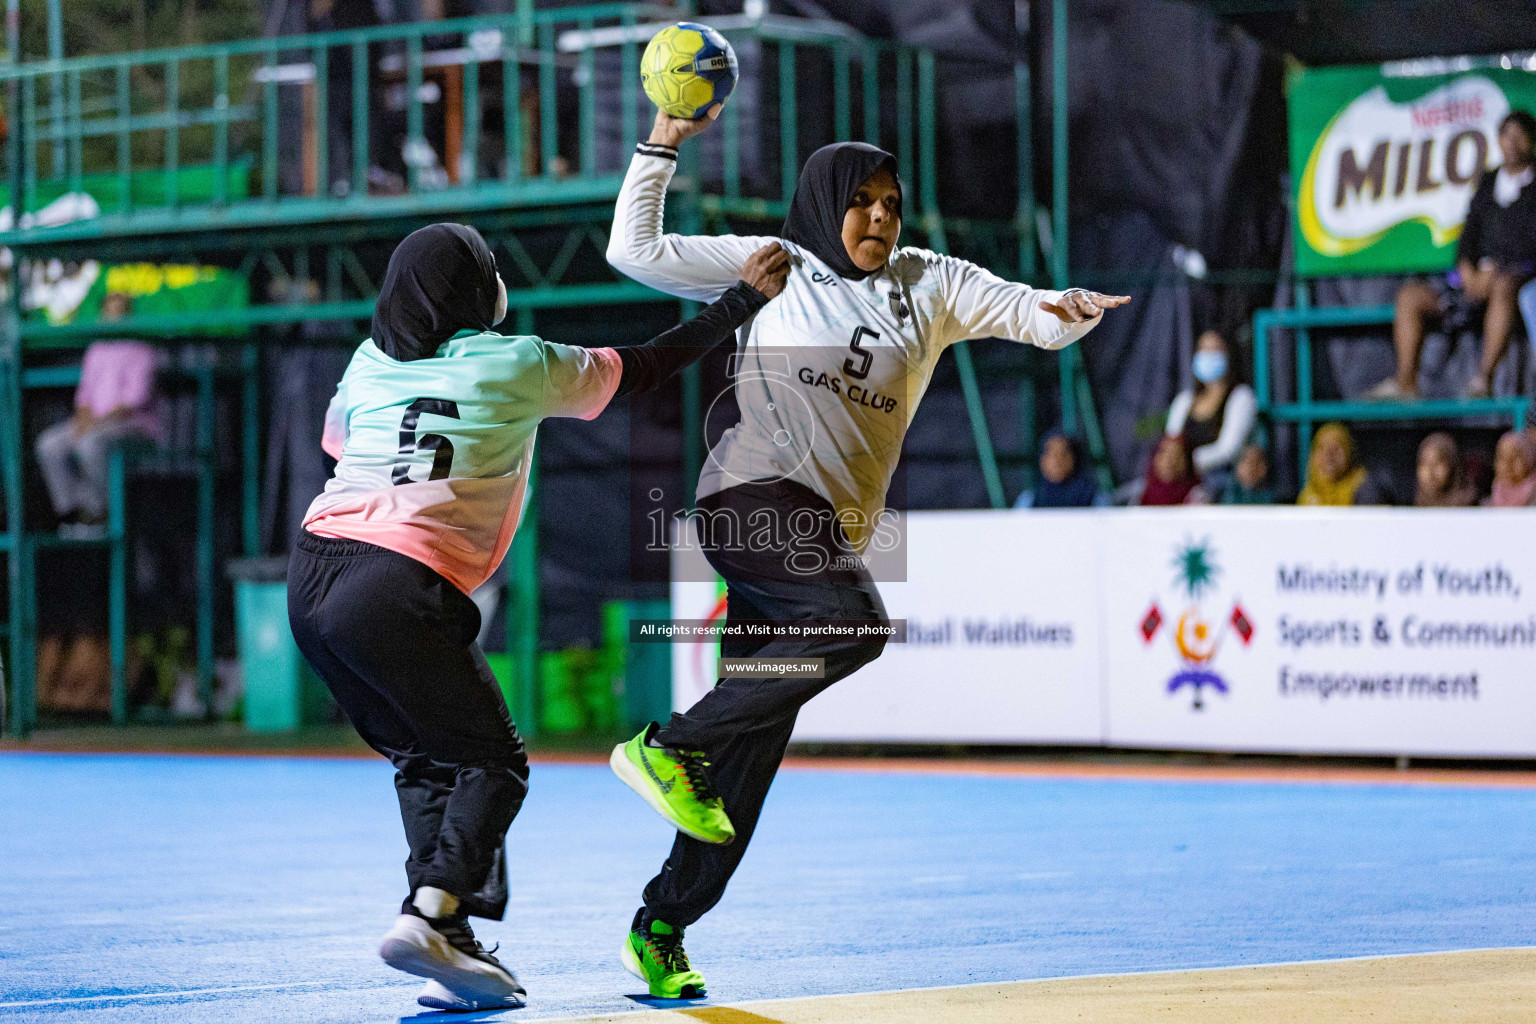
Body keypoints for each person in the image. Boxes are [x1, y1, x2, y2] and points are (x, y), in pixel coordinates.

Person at [604, 105, 1128, 999]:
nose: (881, 217)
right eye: (862, 202)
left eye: (891, 202)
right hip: (749, 500)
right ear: (823, 205)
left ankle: (661, 926)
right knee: (856, 625)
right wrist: (661, 142)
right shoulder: (776, 264)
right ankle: (668, 740)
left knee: (742, 776)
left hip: (820, 544)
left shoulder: (929, 283)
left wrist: (1067, 310)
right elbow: (635, 251)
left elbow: (1021, 311)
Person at [287, 223, 789, 1013]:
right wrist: (741, 301)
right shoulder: (516, 361)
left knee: (427, 758)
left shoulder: (367, 359)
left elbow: (337, 442)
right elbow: (645, 368)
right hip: (396, 579)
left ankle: (446, 941)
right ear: (475, 289)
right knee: (496, 763)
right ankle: (433, 910)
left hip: (312, 575)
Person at [1369, 110, 1536, 400]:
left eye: (1519, 136)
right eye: (1506, 135)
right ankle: (1406, 382)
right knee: (1411, 297)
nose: (1512, 143)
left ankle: (1482, 381)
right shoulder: (1489, 181)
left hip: (1515, 281)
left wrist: (1496, 270)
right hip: (1472, 285)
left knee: (1505, 288)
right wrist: (1467, 270)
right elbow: (1468, 231)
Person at [34, 292, 160, 536]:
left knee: (90, 444)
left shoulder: (142, 352)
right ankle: (74, 513)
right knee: (49, 444)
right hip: (94, 423)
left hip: (132, 427)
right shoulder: (97, 351)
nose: (114, 318)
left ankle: (102, 512)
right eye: (109, 312)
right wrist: (83, 420)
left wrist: (95, 424)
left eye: (120, 311)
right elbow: (84, 396)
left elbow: (135, 400)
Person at [1163, 330, 1255, 485]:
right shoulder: (1185, 400)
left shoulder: (1241, 397)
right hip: (1183, 483)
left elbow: (1228, 450)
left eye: (1215, 350)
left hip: (1225, 486)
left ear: (1229, 355)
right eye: (1203, 350)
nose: (1208, 355)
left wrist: (1186, 463)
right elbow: (1172, 441)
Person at [1014, 430, 1108, 508]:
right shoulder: (1029, 501)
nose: (1057, 461)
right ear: (1042, 460)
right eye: (1051, 454)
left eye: (1063, 454)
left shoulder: (1094, 498)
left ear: (1074, 458)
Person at [1296, 422, 1379, 506]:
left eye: (1335, 449)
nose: (1328, 457)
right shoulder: (1308, 496)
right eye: (1321, 449)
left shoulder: (1364, 490)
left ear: (1349, 452)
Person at [1414, 432, 1478, 507]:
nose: (1430, 473)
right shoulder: (1419, 504)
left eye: (1437, 463)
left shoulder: (1468, 507)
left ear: (1452, 465)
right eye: (1424, 464)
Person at [1139, 434, 1203, 505]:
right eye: (1164, 453)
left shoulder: (1197, 497)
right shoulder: (1140, 496)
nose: (1169, 462)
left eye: (1177, 455)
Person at [1484, 429, 1536, 507]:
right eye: (1502, 458)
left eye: (1514, 457)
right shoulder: (1488, 506)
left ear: (1529, 458)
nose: (1508, 466)